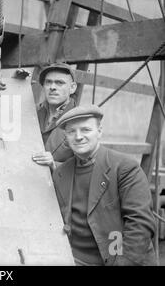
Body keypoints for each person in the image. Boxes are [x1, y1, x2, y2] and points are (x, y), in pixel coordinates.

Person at [52, 105, 157, 266]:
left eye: (86, 130)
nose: (78, 137)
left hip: (116, 259)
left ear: (99, 131)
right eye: (71, 132)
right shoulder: (61, 172)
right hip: (72, 259)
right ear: (66, 137)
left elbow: (140, 225)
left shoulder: (124, 167)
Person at [32, 63, 77, 170]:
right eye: (48, 82)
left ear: (72, 88)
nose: (52, 87)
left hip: (57, 184)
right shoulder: (31, 112)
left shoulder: (80, 120)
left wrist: (54, 164)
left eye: (59, 83)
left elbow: (85, 167)